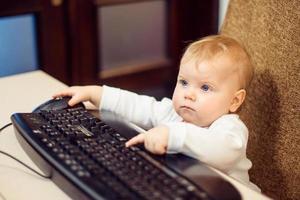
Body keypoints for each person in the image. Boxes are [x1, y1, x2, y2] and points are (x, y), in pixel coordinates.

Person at [53, 35, 260, 191]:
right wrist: (97, 93)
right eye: (184, 83)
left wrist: (172, 135)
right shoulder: (172, 113)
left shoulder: (230, 129)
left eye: (205, 88)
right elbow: (138, 105)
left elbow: (221, 152)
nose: (189, 95)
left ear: (234, 101)